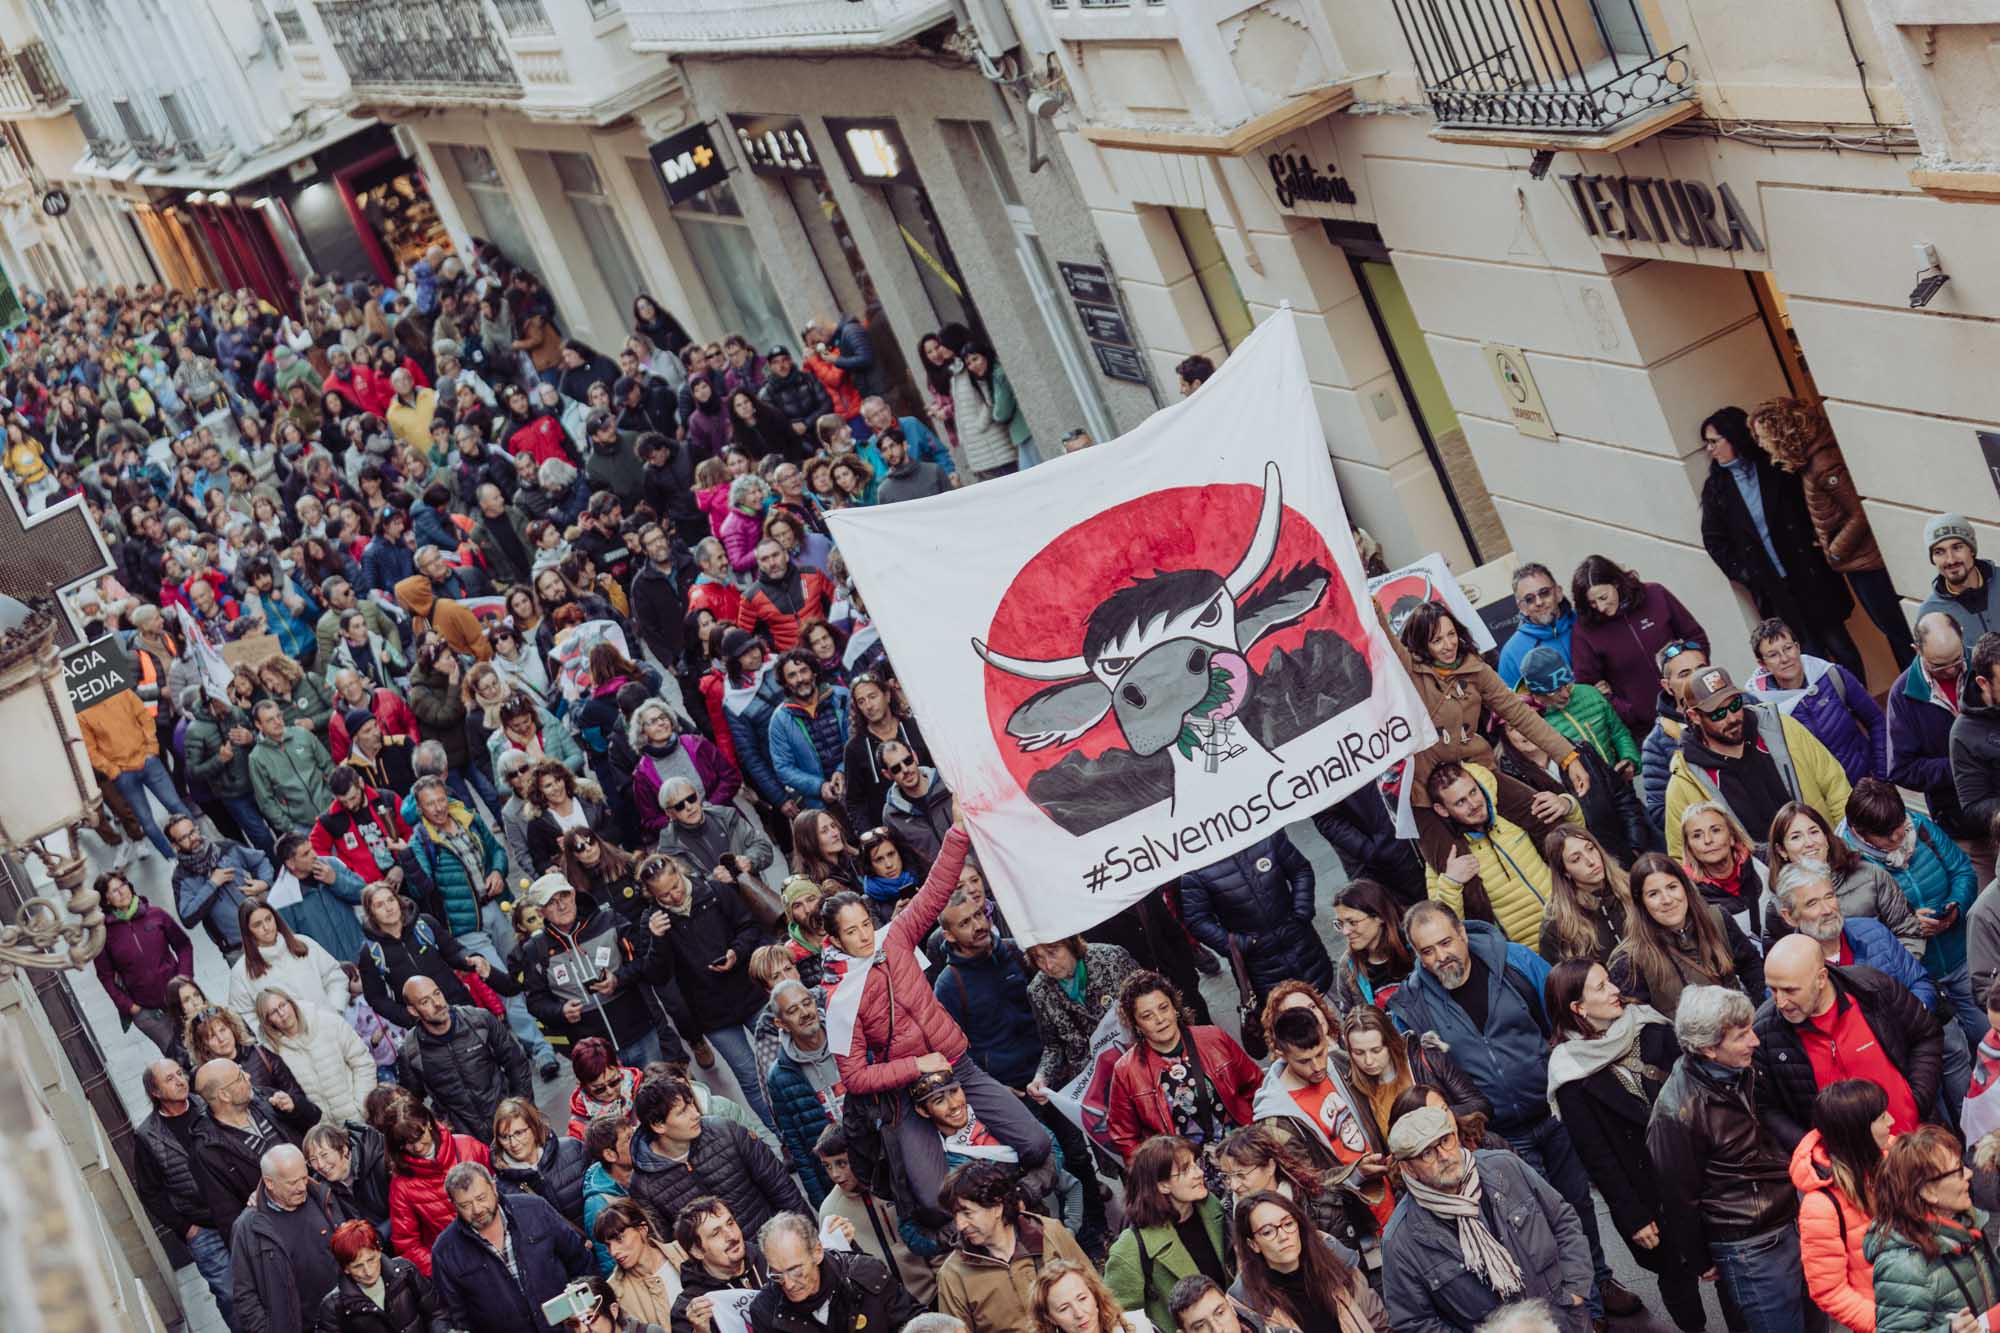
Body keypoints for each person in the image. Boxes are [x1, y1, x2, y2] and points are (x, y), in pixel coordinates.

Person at [1389, 902, 1626, 1320]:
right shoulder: (1412, 1002)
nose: (1440, 955)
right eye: (1427, 950)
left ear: (1462, 933)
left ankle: (1596, 1288)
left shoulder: (1513, 960)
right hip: (1498, 1134)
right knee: (1524, 1223)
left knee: (1575, 1206)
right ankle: (1554, 1315)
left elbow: (1559, 1013)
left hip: (1554, 1111)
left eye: (1446, 941)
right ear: (1416, 954)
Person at [1542, 960, 1707, 1331]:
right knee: (1676, 1274)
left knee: (1725, 1262)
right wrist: (1633, 1216)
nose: (1615, 990)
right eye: (1600, 987)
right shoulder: (1569, 1070)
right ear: (1578, 1008)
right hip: (1646, 1191)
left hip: (1698, 1170)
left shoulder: (1648, 1027)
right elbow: (1597, 1157)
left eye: (1610, 981)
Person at [1647, 985, 1813, 1333]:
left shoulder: (1744, 1070)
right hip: (1751, 1250)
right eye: (1742, 1035)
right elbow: (1679, 1198)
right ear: (1708, 1048)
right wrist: (1700, 1259)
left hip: (1792, 1222)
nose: (1755, 1041)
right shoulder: (1676, 1112)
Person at [1381, 1104, 1593, 1333]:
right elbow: (1414, 1323)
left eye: (1445, 1141)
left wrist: (1574, 1292)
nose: (1444, 1157)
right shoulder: (1400, 1240)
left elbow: (1563, 1220)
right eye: (1427, 1153)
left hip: (1564, 1322)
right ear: (1408, 1168)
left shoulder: (1504, 1166)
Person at [1697, 406, 1860, 675]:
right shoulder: (1717, 488)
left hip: (1808, 573)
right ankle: (1835, 713)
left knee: (1840, 645)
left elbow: (1808, 509)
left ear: (1734, 437)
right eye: (1707, 444)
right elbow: (1714, 541)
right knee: (1806, 655)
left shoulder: (1775, 467)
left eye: (1714, 441)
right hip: (1772, 586)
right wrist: (1745, 572)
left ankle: (1861, 703)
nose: (1709, 450)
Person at [1752, 933, 1941, 1151]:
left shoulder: (1872, 989)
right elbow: (1766, 1108)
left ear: (1821, 978)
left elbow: (1926, 1034)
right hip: (1851, 1173)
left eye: (1790, 990)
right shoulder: (1765, 1032)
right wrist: (1813, 1150)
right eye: (1773, 990)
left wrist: (1917, 1099)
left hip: (1917, 1145)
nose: (1781, 1002)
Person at [632, 854, 775, 1128]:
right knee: (748, 1075)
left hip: (750, 991)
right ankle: (783, 1137)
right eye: (663, 894)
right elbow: (656, 975)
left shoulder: (713, 891)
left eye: (675, 886)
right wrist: (658, 939)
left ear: (680, 873)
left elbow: (749, 926)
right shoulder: (652, 920)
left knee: (778, 1061)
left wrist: (736, 952)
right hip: (712, 1011)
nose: (673, 896)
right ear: (651, 894)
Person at [1844, 776, 1985, 1047]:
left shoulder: (1920, 828)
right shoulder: (1850, 864)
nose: (1899, 836)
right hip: (1917, 976)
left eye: (1900, 825)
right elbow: (1858, 931)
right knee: (1950, 1052)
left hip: (1960, 957)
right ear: (1859, 831)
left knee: (1986, 1032)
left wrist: (1955, 906)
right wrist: (1906, 925)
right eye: (1888, 835)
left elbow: (1962, 871)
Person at [1663, 664, 1851, 860]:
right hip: (1764, 886)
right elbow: (1681, 858)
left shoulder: (1783, 729)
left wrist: (1844, 847)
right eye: (1718, 714)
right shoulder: (1685, 782)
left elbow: (1835, 786)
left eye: (1735, 705)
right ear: (1695, 717)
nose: (1732, 718)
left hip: (1827, 858)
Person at [1251, 1006, 1393, 1230]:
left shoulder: (1338, 1062)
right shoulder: (1276, 1122)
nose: (1317, 1066)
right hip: (1356, 1219)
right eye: (1304, 1061)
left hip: (1393, 1192)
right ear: (1281, 1054)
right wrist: (1355, 1174)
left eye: (1320, 1053)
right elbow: (1304, 1183)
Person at [1104, 970, 1261, 1164]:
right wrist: (1158, 1173)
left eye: (1163, 1008)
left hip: (1240, 1151)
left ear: (1175, 1008)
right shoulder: (1126, 1070)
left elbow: (1256, 1086)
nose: (1160, 1019)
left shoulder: (1214, 1038)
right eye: (1147, 1015)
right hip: (1182, 1172)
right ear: (1136, 1024)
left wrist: (1257, 1135)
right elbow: (1123, 1135)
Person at [1421, 761, 1582, 947]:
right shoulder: (1446, 856)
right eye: (1460, 802)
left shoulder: (1512, 816)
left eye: (1473, 792)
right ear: (1442, 810)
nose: (1473, 804)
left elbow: (1581, 843)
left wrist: (1568, 805)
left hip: (1575, 923)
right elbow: (1444, 925)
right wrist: (1451, 883)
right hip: (1531, 954)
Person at [627, 1075, 805, 1243]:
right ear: (658, 1125)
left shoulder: (726, 1131)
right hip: (724, 1272)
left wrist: (806, 1235)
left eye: (691, 1104)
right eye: (682, 1112)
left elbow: (780, 1186)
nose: (695, 1113)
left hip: (775, 1241)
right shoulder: (643, 1185)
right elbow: (671, 1245)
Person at [517, 873, 662, 1070]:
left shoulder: (609, 920)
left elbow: (642, 963)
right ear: (541, 912)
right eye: (551, 902)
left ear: (574, 895)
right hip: (594, 1054)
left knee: (660, 1093)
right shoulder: (535, 950)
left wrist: (617, 979)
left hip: (640, 1033)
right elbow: (535, 1002)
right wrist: (561, 1012)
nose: (562, 906)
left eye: (564, 896)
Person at [428, 1162, 594, 1333]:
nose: (477, 1209)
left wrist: (586, 1313)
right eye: (465, 1205)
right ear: (453, 1204)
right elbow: (452, 1315)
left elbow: (580, 1261)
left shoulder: (536, 1209)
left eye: (481, 1198)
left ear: (493, 1188)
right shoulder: (444, 1252)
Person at [1863, 1127, 2000, 1333]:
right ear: (1929, 1192)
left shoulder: (1962, 1227)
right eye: (1958, 1170)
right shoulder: (1904, 1266)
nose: (1970, 1174)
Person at [134, 1060, 236, 1323]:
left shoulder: (208, 1104)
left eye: (180, 1073)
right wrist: (186, 1228)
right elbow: (150, 1191)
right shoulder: (148, 1135)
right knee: (229, 1294)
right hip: (203, 1227)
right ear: (155, 1092)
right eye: (170, 1078)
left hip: (240, 1211)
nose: (180, 1080)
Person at [936, 1160, 1092, 1332]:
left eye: (967, 1213)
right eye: (955, 1215)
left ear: (996, 1207)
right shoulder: (953, 1275)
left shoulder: (1049, 1233)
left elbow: (1096, 1292)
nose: (959, 1225)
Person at [1607, 853, 1764, 1019]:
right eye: (1653, 894)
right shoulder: (1629, 959)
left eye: (1672, 887)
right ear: (1641, 903)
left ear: (1685, 887)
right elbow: (1638, 1022)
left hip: (1739, 1032)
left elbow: (1751, 965)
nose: (1667, 899)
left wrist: (1757, 1013)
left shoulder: (1718, 919)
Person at [1180, 831, 1332, 1000]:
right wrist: (1238, 945)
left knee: (1324, 997)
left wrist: (1302, 911)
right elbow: (1197, 920)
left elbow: (1300, 870)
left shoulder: (1265, 833)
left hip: (1302, 943)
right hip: (1260, 966)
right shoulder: (1195, 870)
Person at [1568, 554, 1710, 732]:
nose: (1600, 607)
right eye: (1592, 603)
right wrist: (1627, 712)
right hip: (1645, 728)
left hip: (1696, 706)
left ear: (1616, 583)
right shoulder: (1584, 631)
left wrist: (1694, 678)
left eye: (1603, 597)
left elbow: (1696, 637)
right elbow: (1586, 686)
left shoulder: (1656, 595)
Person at [1793, 1080, 1892, 1333]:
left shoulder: (1895, 1157)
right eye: (1881, 1117)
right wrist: (1890, 1325)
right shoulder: (1820, 1207)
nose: (1891, 1121)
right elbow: (1829, 1291)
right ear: (1858, 1131)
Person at [188, 1057, 322, 1242]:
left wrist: (295, 1107)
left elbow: (314, 1118)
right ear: (224, 1095)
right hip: (286, 1234)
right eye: (240, 1077)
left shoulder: (264, 1098)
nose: (248, 1076)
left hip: (321, 1202)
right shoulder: (207, 1150)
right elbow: (228, 1217)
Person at [230, 1144, 356, 1333]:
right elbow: (244, 1294)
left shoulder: (323, 1196)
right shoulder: (248, 1228)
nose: (301, 1187)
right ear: (269, 1183)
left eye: (304, 1178)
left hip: (347, 1316)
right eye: (291, 1182)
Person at [1768, 803, 1924, 952]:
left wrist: (1894, 975)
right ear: (1782, 850)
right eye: (1796, 837)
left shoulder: (1870, 876)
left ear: (1826, 837)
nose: (1809, 843)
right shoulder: (1778, 907)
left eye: (1814, 832)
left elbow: (1909, 932)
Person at [1747, 617, 1886, 783]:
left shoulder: (1831, 675)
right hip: (1825, 802)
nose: (1785, 658)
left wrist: (1881, 773)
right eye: (1773, 655)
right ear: (1762, 664)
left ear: (1797, 647)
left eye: (1788, 648)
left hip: (1869, 784)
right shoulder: (1763, 708)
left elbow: (1876, 720)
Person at [397, 975, 532, 1141]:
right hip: (466, 1140)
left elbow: (517, 1064)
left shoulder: (479, 1021)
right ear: (413, 1010)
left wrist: (522, 1110)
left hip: (509, 1123)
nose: (438, 1003)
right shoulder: (410, 1050)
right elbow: (411, 1103)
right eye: (425, 1001)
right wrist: (439, 1130)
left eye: (437, 993)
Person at [1229, 1190, 1385, 1333]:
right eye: (1268, 1232)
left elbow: (1376, 1320)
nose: (1283, 1236)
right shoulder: (1248, 1303)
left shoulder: (1332, 1258)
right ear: (1253, 1244)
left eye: (1288, 1224)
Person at [813, 1125, 935, 1305]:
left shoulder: (898, 1185)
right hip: (890, 1312)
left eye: (842, 1163)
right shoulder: (830, 1211)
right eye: (827, 1166)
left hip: (932, 1295)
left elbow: (935, 1240)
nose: (835, 1175)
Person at [748, 1210, 922, 1333]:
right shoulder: (765, 1311)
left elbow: (915, 1323)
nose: (788, 1284)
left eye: (795, 1270)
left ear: (817, 1252)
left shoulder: (867, 1275)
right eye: (777, 1274)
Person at [1890, 613, 1978, 842]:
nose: (1950, 671)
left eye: (1957, 660)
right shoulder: (1901, 695)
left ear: (1961, 633)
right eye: (1939, 665)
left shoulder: (1985, 664)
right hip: (1961, 821)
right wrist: (1960, 767)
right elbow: (1902, 769)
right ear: (1917, 649)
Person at [80, 679, 191, 858]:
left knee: (175, 804)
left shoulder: (122, 693)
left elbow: (145, 718)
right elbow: (90, 750)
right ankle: (173, 858)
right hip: (123, 773)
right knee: (146, 822)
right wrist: (113, 771)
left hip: (147, 760)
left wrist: (152, 749)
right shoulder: (83, 714)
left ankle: (198, 844)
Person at [94, 869, 195, 1053]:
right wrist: (130, 1007)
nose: (122, 892)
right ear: (106, 900)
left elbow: (184, 946)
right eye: (114, 891)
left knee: (203, 1041)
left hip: (181, 998)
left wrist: (185, 979)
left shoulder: (156, 915)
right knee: (178, 1057)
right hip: (148, 1012)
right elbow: (105, 976)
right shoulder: (103, 934)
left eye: (123, 885)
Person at [254, 986, 377, 1126]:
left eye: (283, 1005)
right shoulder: (273, 1052)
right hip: (325, 1135)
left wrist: (362, 1106)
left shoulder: (329, 1022)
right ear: (268, 1021)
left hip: (361, 1119)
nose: (282, 1013)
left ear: (291, 1003)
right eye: (273, 1012)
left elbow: (363, 1063)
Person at [228, 900, 348, 1026]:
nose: (266, 927)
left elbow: (334, 975)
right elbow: (243, 1016)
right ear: (247, 931)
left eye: (268, 919)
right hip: (290, 1043)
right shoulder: (241, 973)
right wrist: (275, 1041)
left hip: (333, 1026)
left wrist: (335, 1010)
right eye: (257, 925)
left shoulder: (304, 943)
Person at [315, 1218, 446, 1333]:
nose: (368, 1271)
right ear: (346, 1268)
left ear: (378, 1251)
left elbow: (436, 1313)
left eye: (371, 1260)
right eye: (358, 1266)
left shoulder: (406, 1271)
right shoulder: (333, 1307)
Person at [1537, 826, 1631, 965]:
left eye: (1591, 848)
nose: (1591, 861)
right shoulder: (1557, 925)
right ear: (1565, 872)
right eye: (1576, 859)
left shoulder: (1632, 887)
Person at [248, 698, 335, 836]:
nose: (277, 722)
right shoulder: (257, 758)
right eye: (270, 720)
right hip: (303, 827)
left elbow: (328, 766)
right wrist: (290, 828)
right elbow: (266, 801)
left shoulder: (302, 734)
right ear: (259, 725)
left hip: (331, 810)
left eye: (278, 716)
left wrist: (335, 797)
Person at [1916, 513, 2000, 645]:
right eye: (1939, 552)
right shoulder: (1931, 614)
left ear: (1971, 550)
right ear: (1932, 559)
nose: (1951, 560)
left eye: (1957, 547)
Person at [1498, 563, 1575, 691]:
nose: (1539, 602)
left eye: (1544, 592)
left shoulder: (1585, 623)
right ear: (1522, 608)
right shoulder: (1511, 654)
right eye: (1529, 599)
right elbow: (1512, 707)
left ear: (1558, 593)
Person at [1035, 1260, 1158, 1333]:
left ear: (1095, 1295)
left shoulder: (1139, 1326)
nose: (1079, 1313)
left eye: (1082, 1298)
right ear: (1050, 1318)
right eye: (1064, 1308)